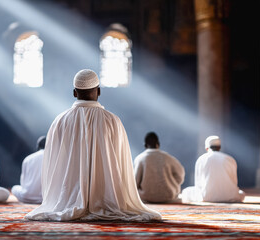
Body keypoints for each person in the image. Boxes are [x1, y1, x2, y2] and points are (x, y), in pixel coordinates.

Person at [26, 69, 161, 221]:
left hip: (66, 198)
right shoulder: (112, 120)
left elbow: (53, 165)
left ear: (74, 93)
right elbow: (121, 163)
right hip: (107, 197)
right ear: (99, 91)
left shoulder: (60, 121)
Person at [181, 135, 245, 203]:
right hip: (231, 196)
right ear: (219, 147)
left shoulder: (201, 159)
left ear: (206, 148)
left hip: (206, 197)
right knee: (241, 193)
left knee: (185, 192)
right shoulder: (230, 159)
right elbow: (234, 182)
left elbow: (198, 183)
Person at [134, 132, 185, 203]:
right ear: (158, 144)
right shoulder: (168, 158)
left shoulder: (139, 159)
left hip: (146, 197)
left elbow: (135, 182)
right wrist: (172, 183)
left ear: (145, 145)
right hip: (169, 196)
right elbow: (180, 174)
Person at [12, 136, 46, 204]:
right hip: (46, 199)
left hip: (26, 197)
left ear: (38, 146)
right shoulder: (54, 158)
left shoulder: (28, 158)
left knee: (14, 188)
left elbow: (23, 183)